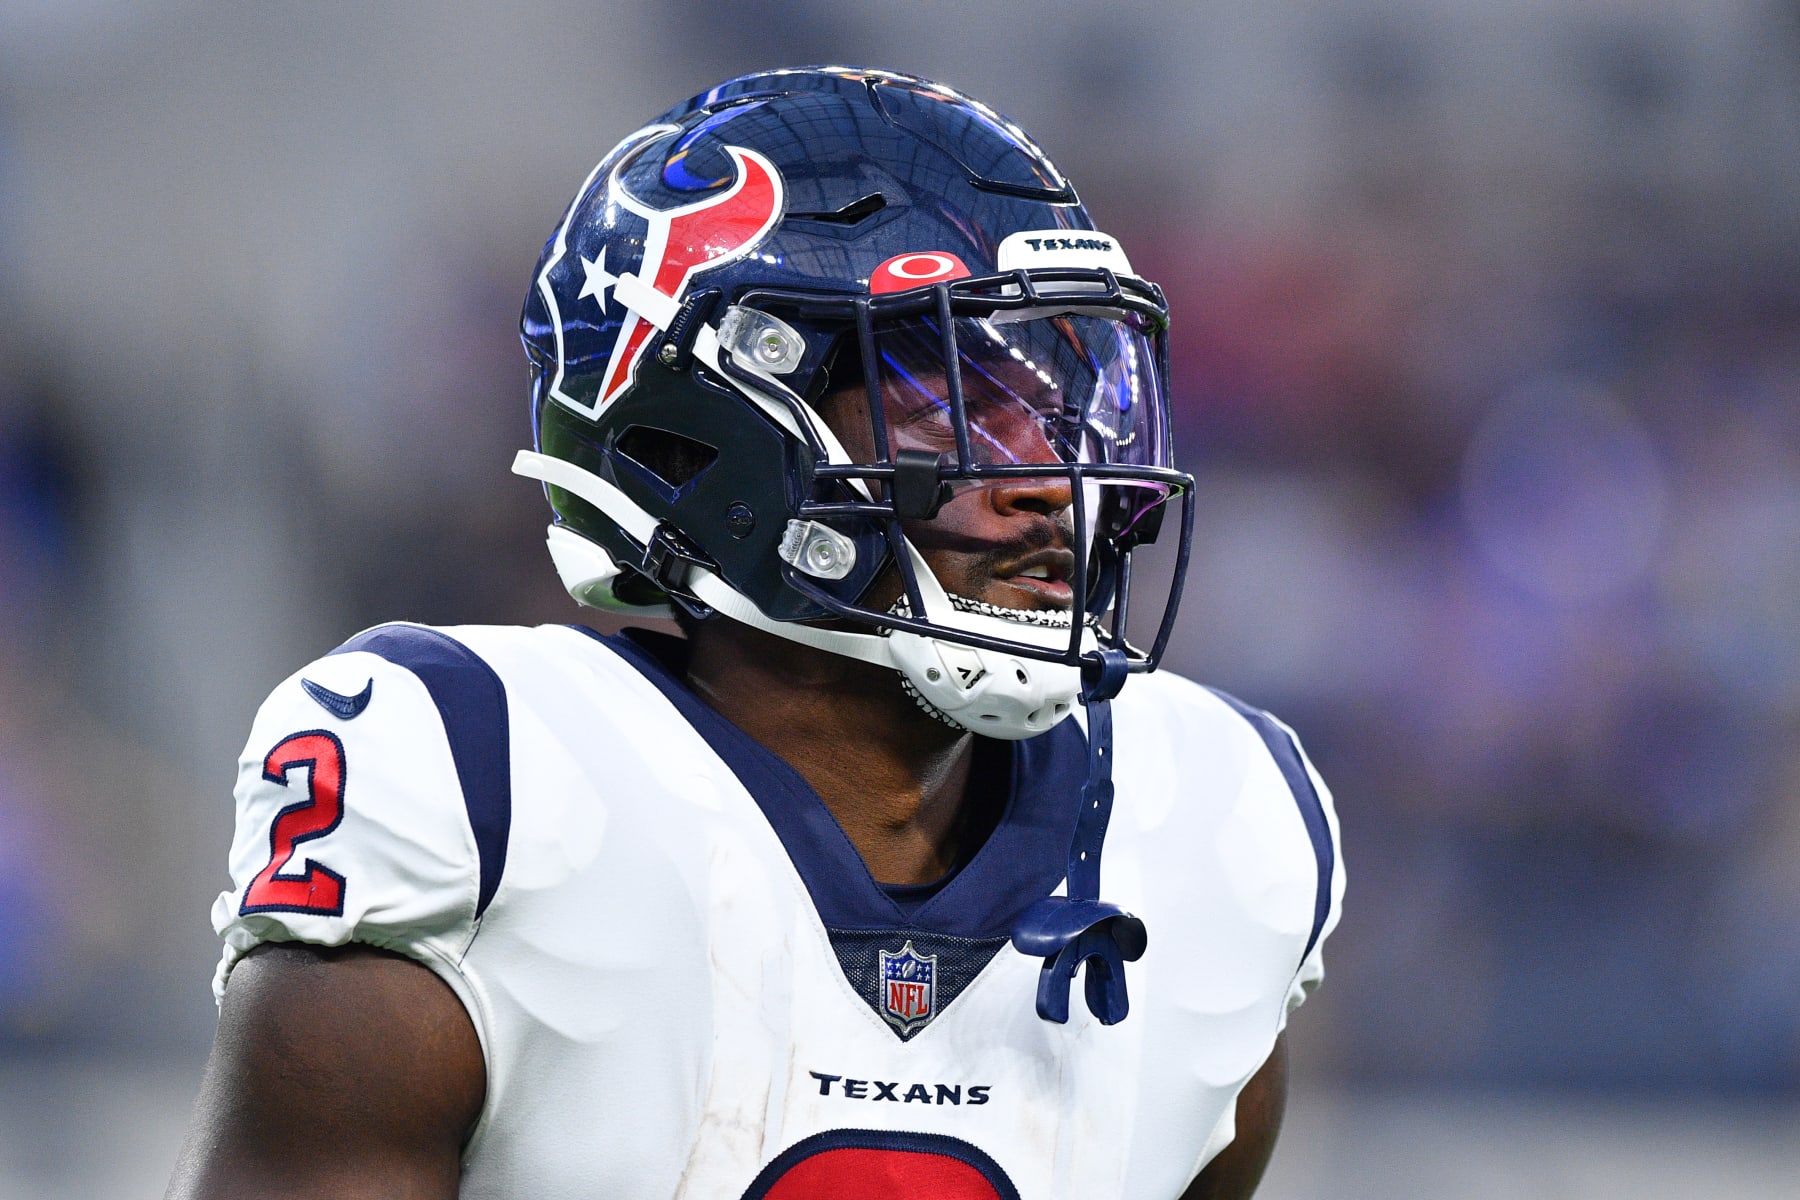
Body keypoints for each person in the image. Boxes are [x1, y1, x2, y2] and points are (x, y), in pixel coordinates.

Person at [166, 66, 1342, 1200]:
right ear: (706, 435)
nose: (1050, 481)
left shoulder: (1219, 826)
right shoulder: (484, 785)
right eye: (947, 403)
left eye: (1061, 409)